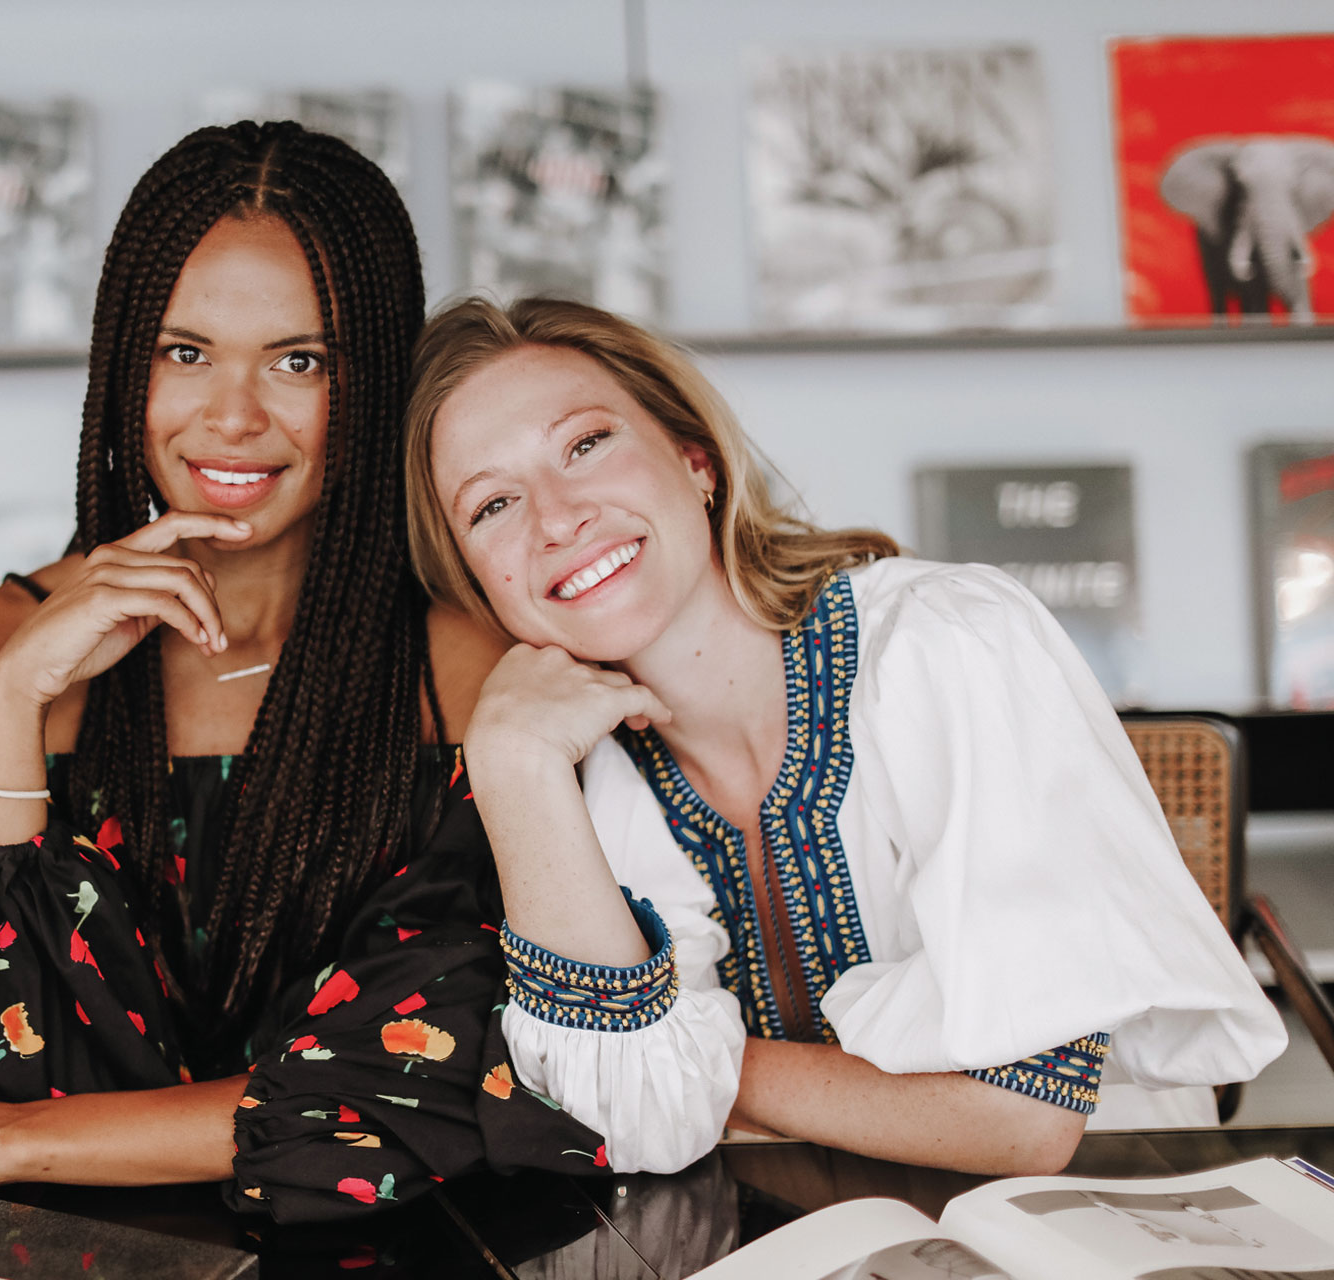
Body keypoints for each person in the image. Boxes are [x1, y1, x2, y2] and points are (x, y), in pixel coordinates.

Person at [0, 126, 607, 1221]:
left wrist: (8, 1139)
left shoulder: (480, 663)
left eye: (299, 360)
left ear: (370, 379)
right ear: (125, 359)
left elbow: (435, 1087)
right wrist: (18, 706)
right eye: (186, 352)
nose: (233, 415)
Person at [401, 296, 1288, 1176]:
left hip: (1112, 1216)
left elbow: (1024, 1121)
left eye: (587, 445)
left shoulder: (945, 643)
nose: (557, 519)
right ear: (481, 586)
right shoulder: (592, 771)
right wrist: (513, 761)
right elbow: (617, 1122)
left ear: (694, 459)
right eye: (492, 506)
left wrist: (698, 1073)